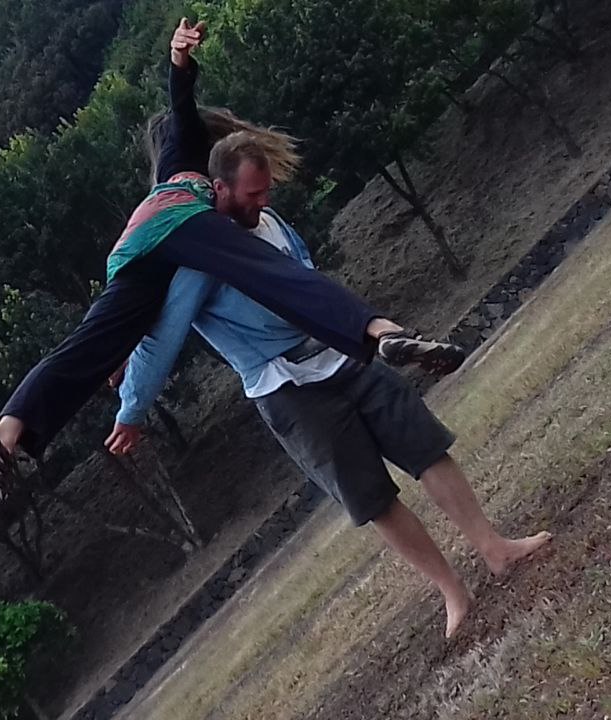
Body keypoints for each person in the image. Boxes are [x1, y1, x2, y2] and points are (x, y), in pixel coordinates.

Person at [0, 20, 465, 516]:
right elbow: (182, 109)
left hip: (133, 253)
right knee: (281, 278)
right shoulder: (191, 165)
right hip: (182, 224)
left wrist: (125, 366)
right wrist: (179, 62)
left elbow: (153, 333)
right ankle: (382, 332)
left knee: (85, 348)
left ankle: (3, 436)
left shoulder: (165, 174)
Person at [105, 133, 550, 637]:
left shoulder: (271, 222)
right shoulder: (197, 259)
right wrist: (132, 409)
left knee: (424, 446)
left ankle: (495, 549)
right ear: (220, 188)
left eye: (266, 191)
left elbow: (307, 278)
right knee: (370, 497)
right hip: (286, 387)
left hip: (344, 354)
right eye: (253, 194)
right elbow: (161, 338)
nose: (262, 201)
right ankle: (453, 593)